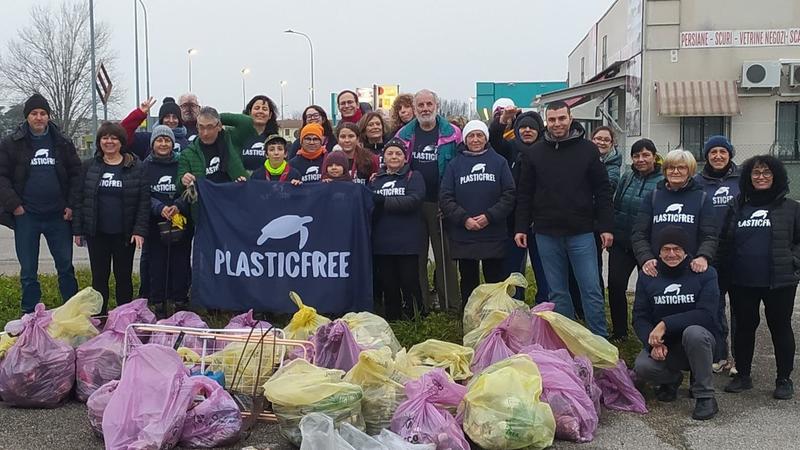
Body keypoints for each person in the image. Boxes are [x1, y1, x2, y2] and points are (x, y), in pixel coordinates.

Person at [514, 100, 613, 337]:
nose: (557, 123)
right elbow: (525, 193)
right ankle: (567, 341)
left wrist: (606, 226)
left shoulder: (588, 150)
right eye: (552, 119)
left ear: (570, 118)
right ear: (546, 121)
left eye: (562, 118)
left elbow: (602, 190)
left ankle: (600, 341)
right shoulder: (534, 152)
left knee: (590, 289)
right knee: (557, 292)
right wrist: (521, 227)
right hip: (546, 233)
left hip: (581, 232)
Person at [718, 155, 798, 400]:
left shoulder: (791, 208)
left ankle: (783, 379)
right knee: (743, 329)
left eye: (766, 173)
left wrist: (794, 261)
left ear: (776, 176)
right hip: (742, 282)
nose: (760, 177)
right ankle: (743, 375)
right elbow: (724, 241)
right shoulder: (737, 206)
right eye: (755, 173)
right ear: (748, 178)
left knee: (780, 328)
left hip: (780, 282)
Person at [0, 93, 81, 313]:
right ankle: (30, 315)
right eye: (34, 113)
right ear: (27, 117)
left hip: (58, 217)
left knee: (65, 267)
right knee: (28, 271)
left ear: (48, 116)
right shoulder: (11, 143)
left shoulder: (62, 142)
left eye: (43, 113)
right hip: (27, 216)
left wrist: (71, 205)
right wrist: (14, 205)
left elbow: (76, 175)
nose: (38, 118)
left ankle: (71, 312)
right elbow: (2, 177)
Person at [632, 226, 720, 421]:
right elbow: (640, 316)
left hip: (699, 343)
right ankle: (671, 380)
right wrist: (652, 343)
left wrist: (665, 324)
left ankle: (705, 396)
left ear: (686, 250)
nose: (671, 254)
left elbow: (706, 314)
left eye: (677, 249)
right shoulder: (648, 275)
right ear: (659, 251)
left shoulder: (705, 273)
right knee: (643, 366)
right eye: (666, 249)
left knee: (694, 333)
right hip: (667, 346)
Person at [394, 89, 462, 310]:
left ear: (436, 106)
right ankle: (420, 306)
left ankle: (450, 306)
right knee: (417, 257)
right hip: (413, 205)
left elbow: (461, 168)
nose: (425, 109)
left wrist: (451, 201)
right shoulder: (403, 134)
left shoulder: (452, 133)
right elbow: (395, 165)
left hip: (440, 204)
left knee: (445, 258)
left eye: (428, 104)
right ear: (414, 108)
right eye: (420, 105)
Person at [72, 122, 149, 313]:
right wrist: (78, 230)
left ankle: (123, 317)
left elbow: (144, 202)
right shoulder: (89, 166)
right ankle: (100, 316)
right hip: (97, 233)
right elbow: (80, 199)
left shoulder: (136, 167)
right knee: (99, 278)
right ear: (99, 142)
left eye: (113, 138)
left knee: (123, 278)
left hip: (124, 234)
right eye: (105, 138)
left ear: (121, 141)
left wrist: (139, 230)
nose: (109, 141)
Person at [440, 120, 515, 307]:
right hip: (465, 234)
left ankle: (495, 316)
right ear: (465, 139)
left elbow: (509, 194)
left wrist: (489, 216)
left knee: (494, 279)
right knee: (468, 280)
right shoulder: (454, 165)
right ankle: (470, 317)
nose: (475, 139)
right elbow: (446, 196)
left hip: (493, 233)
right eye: (471, 136)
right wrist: (464, 219)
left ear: (486, 138)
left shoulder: (499, 162)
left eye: (479, 135)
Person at [607, 139, 664, 341]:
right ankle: (620, 332)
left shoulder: (663, 181)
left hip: (649, 247)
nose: (641, 159)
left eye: (645, 155)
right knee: (615, 285)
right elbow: (616, 205)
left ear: (654, 156)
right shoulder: (627, 177)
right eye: (636, 155)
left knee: (647, 289)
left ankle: (648, 332)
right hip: (622, 242)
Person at [631, 149, 717, 279]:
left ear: (690, 171)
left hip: (691, 269)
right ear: (665, 170)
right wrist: (646, 258)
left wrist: (703, 257)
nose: (675, 171)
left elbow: (710, 235)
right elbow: (639, 233)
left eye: (681, 168)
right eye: (671, 167)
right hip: (658, 270)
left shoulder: (702, 199)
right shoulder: (653, 197)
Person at [694, 135, 740, 374]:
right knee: (715, 306)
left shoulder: (742, 179)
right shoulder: (698, 181)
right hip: (710, 252)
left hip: (739, 252)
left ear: (730, 154)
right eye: (713, 152)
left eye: (723, 151)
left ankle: (740, 360)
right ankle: (720, 355)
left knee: (741, 309)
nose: (718, 156)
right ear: (707, 155)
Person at [493, 111, 550, 303]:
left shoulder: (547, 149)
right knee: (512, 267)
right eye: (523, 127)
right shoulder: (509, 148)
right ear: (517, 130)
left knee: (543, 267)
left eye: (532, 127)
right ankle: (514, 303)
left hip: (540, 220)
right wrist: (501, 122)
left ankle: (544, 304)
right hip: (512, 220)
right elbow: (493, 139)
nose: (527, 130)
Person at [566, 125, 623, 319]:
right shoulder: (585, 158)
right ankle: (579, 308)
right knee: (574, 269)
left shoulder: (613, 166)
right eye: (598, 138)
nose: (601, 142)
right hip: (581, 221)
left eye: (606, 139)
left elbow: (604, 189)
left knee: (592, 271)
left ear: (612, 143)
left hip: (597, 224)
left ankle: (593, 311)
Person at [369, 138, 426, 320]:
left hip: (407, 241)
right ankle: (393, 320)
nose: (394, 157)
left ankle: (416, 318)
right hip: (383, 241)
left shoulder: (413, 176)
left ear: (405, 157)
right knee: (389, 283)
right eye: (390, 153)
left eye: (398, 153)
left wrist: (385, 201)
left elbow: (414, 200)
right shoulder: (376, 179)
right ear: (383, 157)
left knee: (409, 282)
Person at [141, 126, 191, 317]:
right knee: (157, 265)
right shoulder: (145, 166)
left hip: (179, 220)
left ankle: (180, 301)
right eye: (159, 140)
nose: (163, 144)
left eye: (167, 140)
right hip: (155, 223)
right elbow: (143, 194)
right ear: (153, 143)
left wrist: (178, 205)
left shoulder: (182, 163)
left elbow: (189, 190)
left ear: (173, 143)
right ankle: (158, 303)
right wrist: (159, 208)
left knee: (180, 263)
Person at [176, 107, 248, 221]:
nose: (205, 133)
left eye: (209, 127)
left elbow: (247, 123)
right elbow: (179, 187)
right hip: (204, 214)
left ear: (219, 126)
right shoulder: (187, 153)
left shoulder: (231, 140)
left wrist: (218, 115)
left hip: (233, 208)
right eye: (201, 127)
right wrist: (182, 180)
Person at [120, 97, 192, 161]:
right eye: (167, 117)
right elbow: (121, 135)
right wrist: (139, 114)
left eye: (175, 117)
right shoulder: (147, 139)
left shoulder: (188, 144)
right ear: (161, 119)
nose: (171, 120)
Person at [222, 95, 280, 171]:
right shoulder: (237, 134)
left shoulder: (274, 139)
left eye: (264, 109)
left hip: (265, 181)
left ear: (270, 115)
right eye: (257, 108)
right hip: (240, 180)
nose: (260, 111)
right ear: (249, 112)